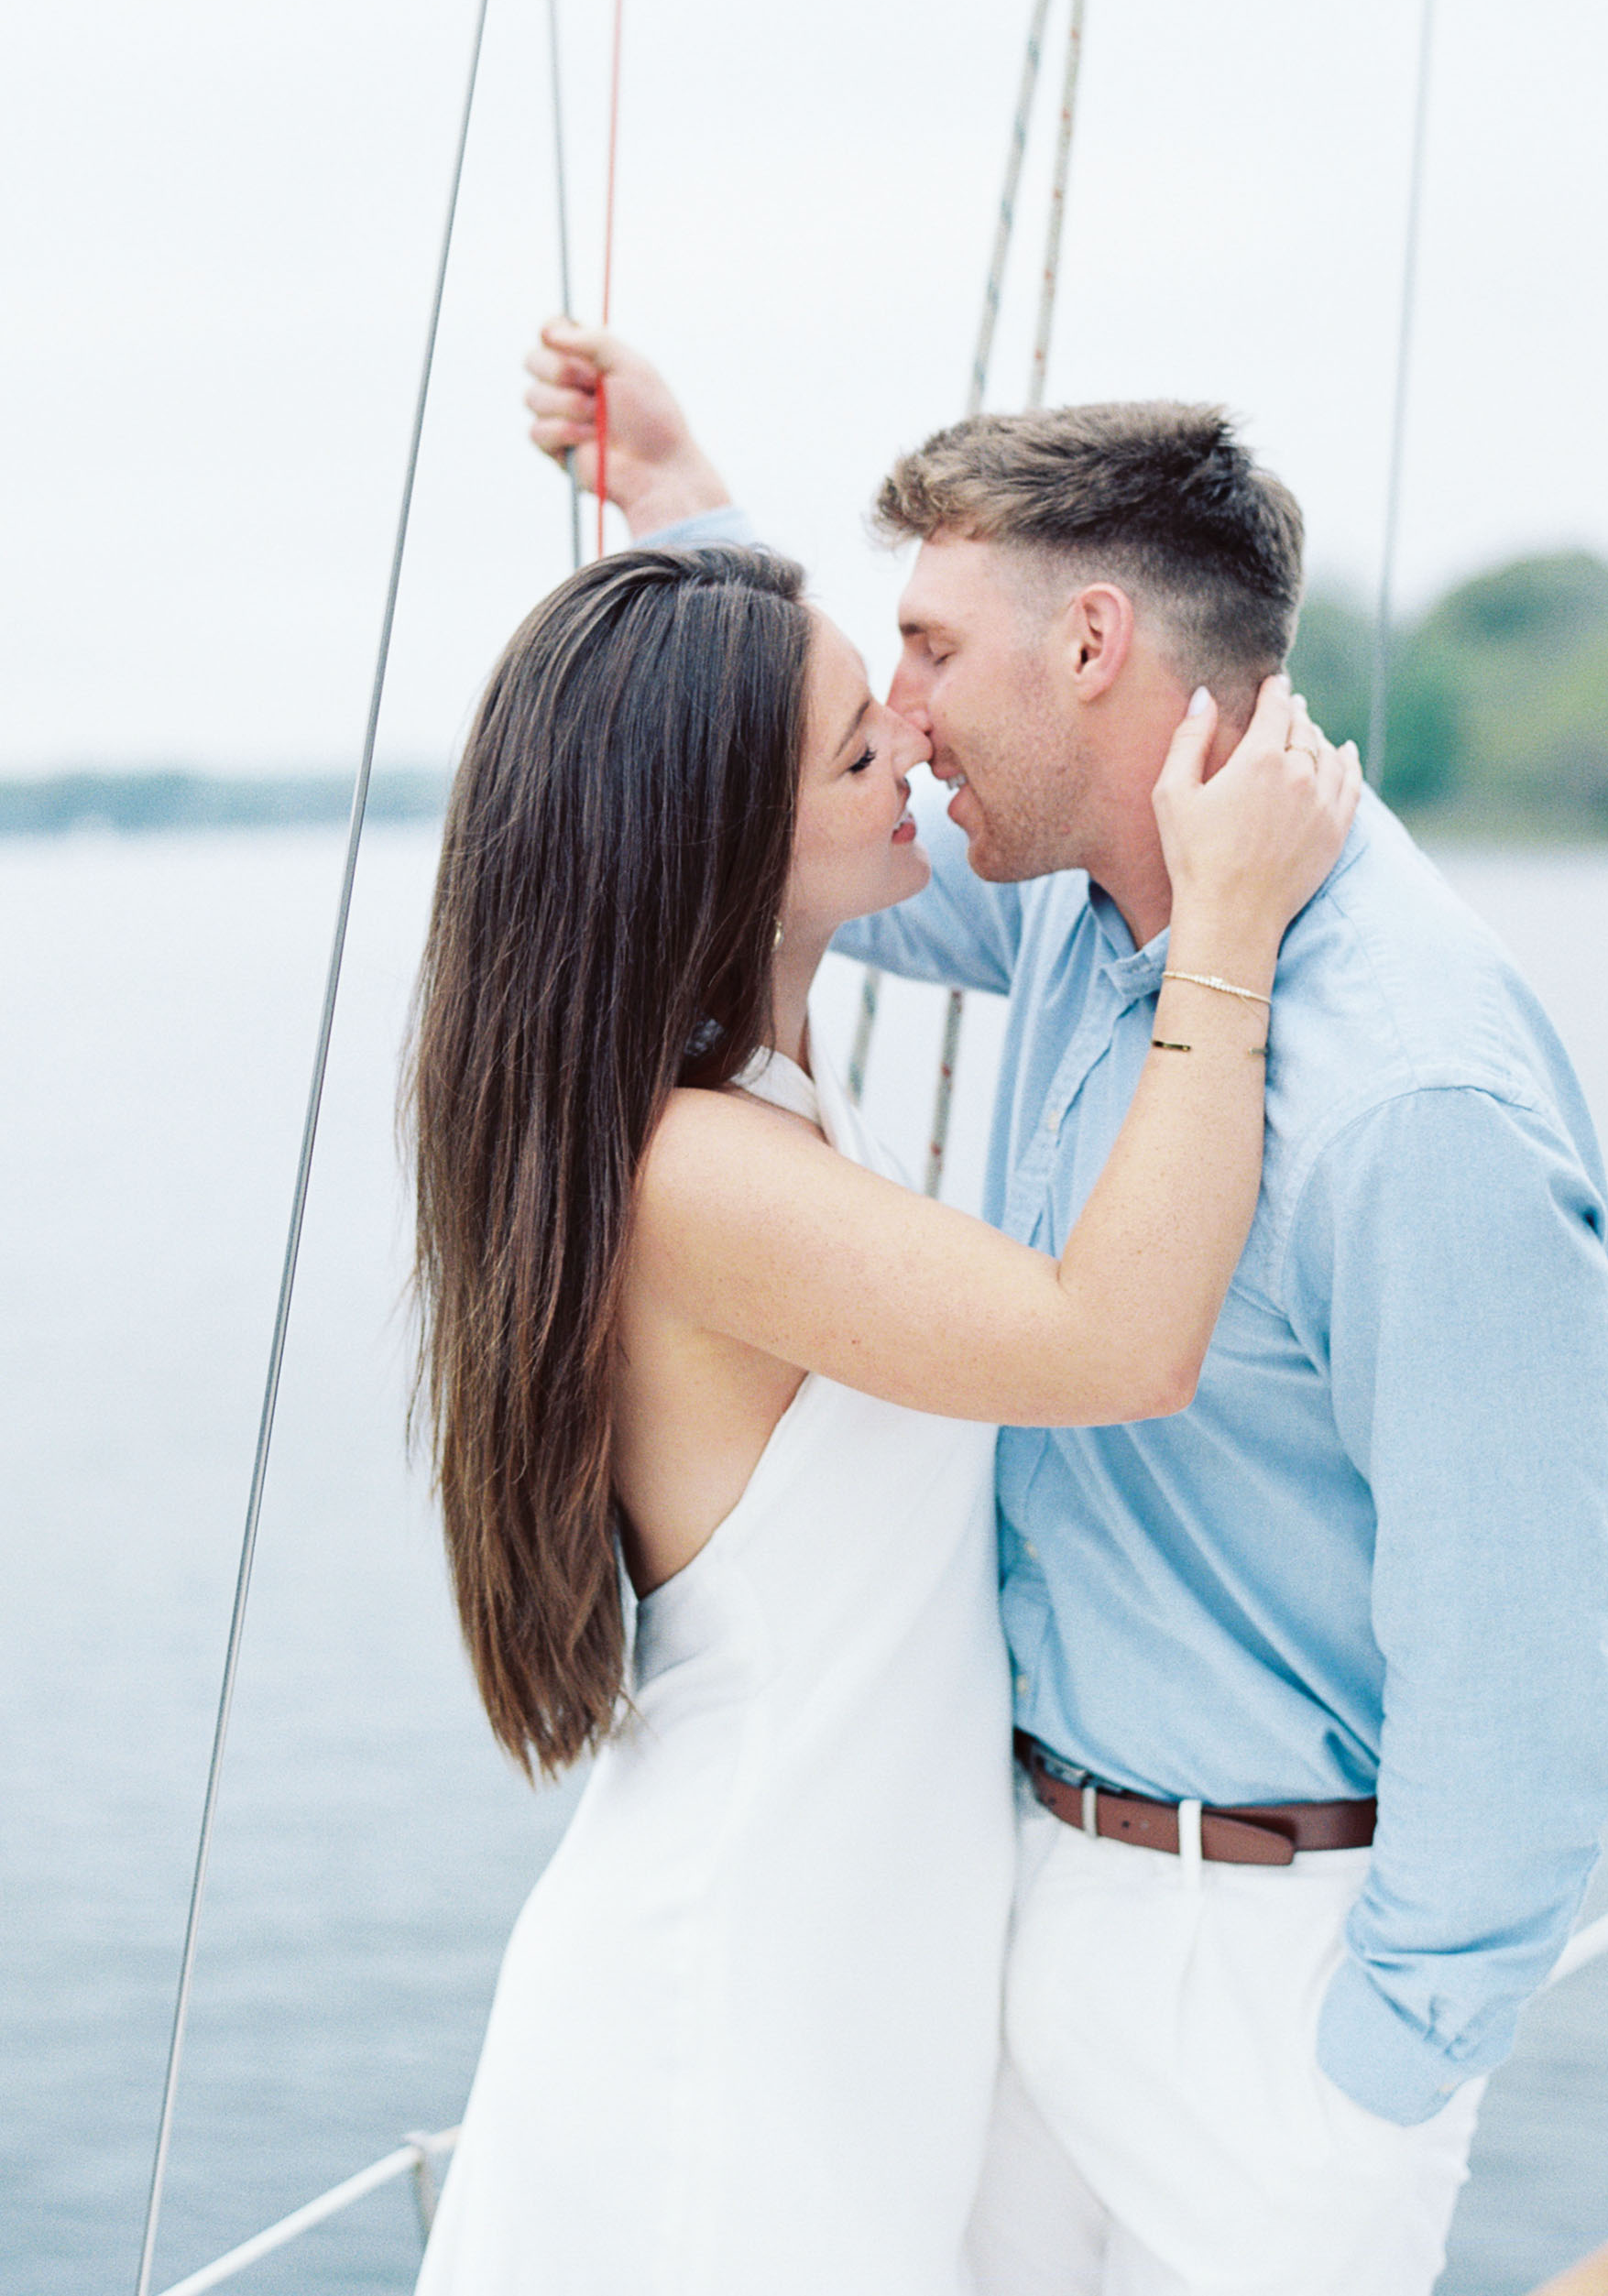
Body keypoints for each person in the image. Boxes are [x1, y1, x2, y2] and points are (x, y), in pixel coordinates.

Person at [521, 323, 1608, 2296]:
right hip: (1030, 1917)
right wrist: (679, 496)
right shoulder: (1063, 903)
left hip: (1273, 1978)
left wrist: (1375, 2082)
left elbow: (1524, 1682)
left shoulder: (1409, 1095)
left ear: (1095, 644)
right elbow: (777, 822)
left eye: (933, 650)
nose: (907, 712)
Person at [408, 539, 1358, 2296]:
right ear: (726, 852)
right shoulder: (701, 1175)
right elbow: (1117, 1339)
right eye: (862, 748)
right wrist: (1229, 927)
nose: (915, 745)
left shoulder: (745, 1096)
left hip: (842, 1967)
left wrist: (691, 513)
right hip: (738, 1995)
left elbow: (719, 714)